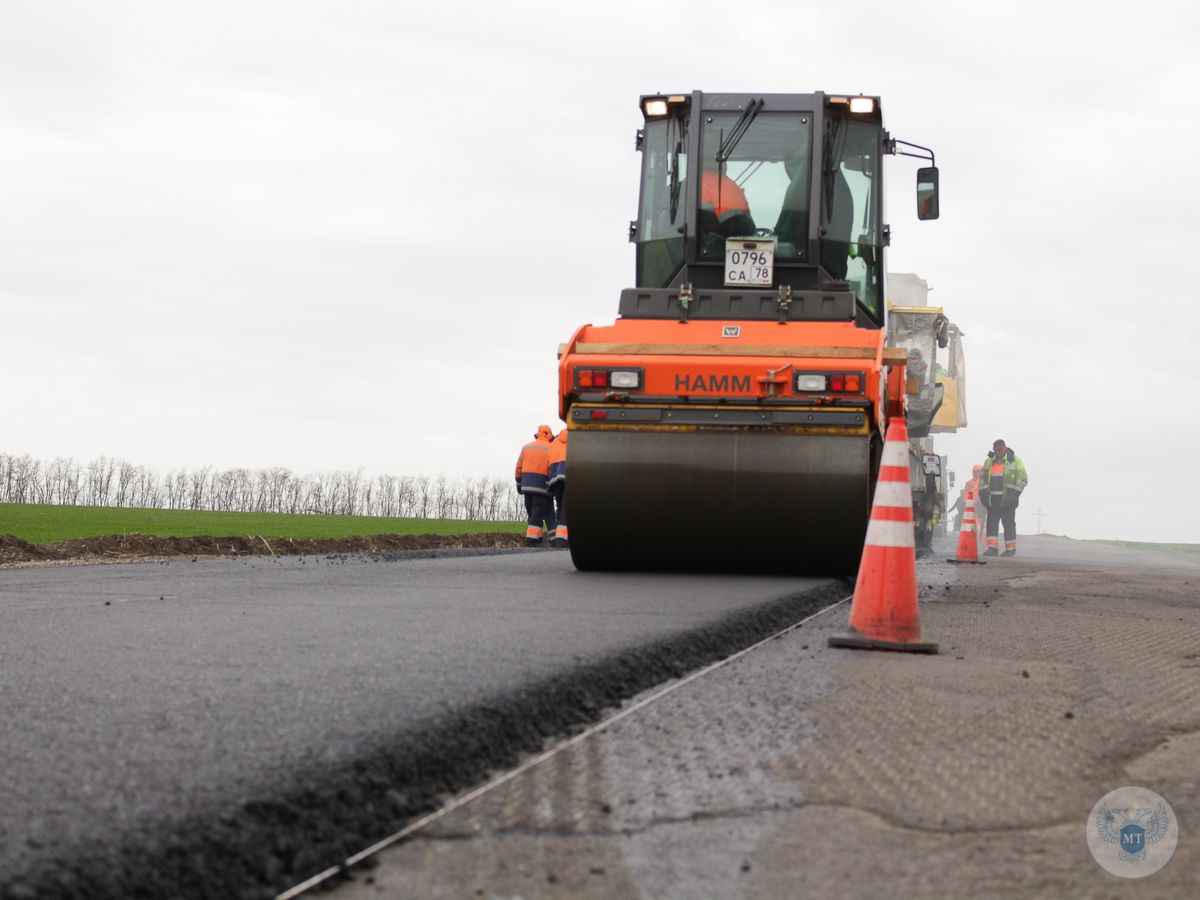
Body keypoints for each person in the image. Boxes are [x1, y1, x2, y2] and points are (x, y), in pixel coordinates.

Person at [979, 439, 1028, 557]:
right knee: (991, 524)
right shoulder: (989, 461)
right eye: (995, 450)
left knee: (1009, 524)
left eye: (999, 450)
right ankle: (992, 548)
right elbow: (983, 479)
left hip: (1008, 500)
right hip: (993, 500)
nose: (997, 452)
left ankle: (1010, 549)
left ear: (1005, 448)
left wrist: (1014, 495)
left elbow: (1022, 479)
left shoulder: (1015, 461)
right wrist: (983, 494)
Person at [514, 425, 555, 547]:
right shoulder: (551, 449)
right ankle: (531, 542)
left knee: (534, 514)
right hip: (542, 487)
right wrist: (552, 488)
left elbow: (518, 468)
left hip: (527, 487)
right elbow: (552, 469)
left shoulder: (526, 447)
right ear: (549, 435)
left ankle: (541, 539)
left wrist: (519, 485)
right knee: (538, 515)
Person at [700, 168, 755, 238]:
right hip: (714, 242)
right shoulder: (723, 183)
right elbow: (740, 230)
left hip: (694, 241)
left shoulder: (686, 182)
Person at [548, 427, 569, 549]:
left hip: (555, 478)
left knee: (560, 507)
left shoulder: (555, 441)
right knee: (567, 508)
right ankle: (562, 541)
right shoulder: (576, 438)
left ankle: (560, 540)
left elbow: (548, 461)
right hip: (569, 476)